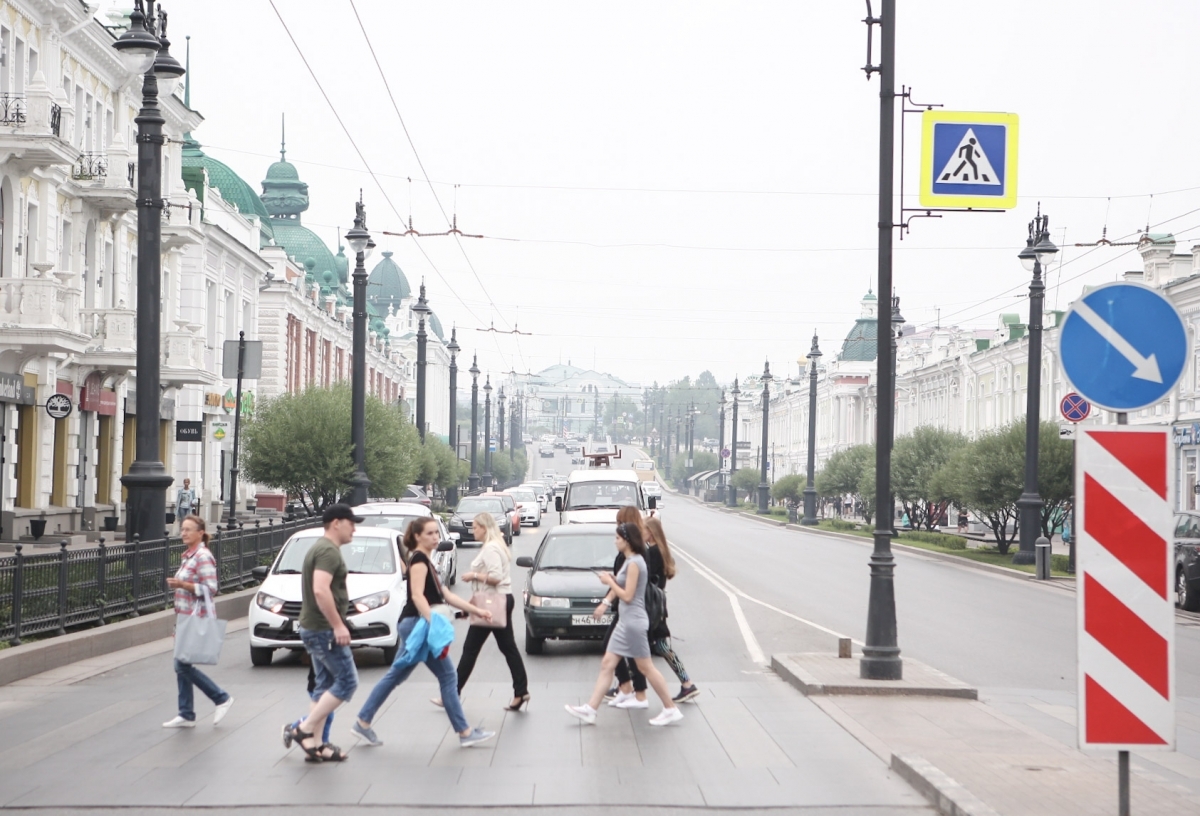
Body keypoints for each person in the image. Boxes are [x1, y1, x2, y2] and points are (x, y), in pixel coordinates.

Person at [351, 516, 496, 748]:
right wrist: (432, 622)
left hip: (415, 625)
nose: (435, 537)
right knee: (448, 676)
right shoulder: (419, 560)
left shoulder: (426, 560)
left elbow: (445, 595)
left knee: (396, 676)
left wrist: (475, 609)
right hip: (418, 625)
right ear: (417, 536)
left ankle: (363, 721)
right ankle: (465, 731)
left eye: (436, 533)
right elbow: (417, 596)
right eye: (429, 533)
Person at [565, 521, 682, 727]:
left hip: (634, 623)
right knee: (607, 664)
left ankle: (670, 708)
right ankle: (590, 709)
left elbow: (628, 596)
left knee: (646, 668)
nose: (615, 541)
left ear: (627, 541)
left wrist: (610, 582)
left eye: (618, 538)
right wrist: (610, 588)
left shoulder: (636, 562)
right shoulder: (630, 562)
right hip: (625, 623)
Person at [282, 504, 363, 763]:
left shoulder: (320, 547)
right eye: (351, 522)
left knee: (323, 686)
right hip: (323, 629)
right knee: (347, 682)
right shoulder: (328, 551)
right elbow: (320, 590)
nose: (354, 528)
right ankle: (303, 730)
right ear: (336, 523)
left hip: (314, 627)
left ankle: (315, 745)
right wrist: (338, 625)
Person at [610, 515, 699, 706]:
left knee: (649, 649)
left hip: (649, 606)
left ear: (651, 532)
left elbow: (644, 580)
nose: (641, 532)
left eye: (644, 529)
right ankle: (685, 683)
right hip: (656, 605)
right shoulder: (660, 550)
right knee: (659, 647)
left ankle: (633, 687)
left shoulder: (653, 553)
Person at [449, 513, 530, 711]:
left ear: (485, 528)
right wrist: (472, 603)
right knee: (507, 648)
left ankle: (452, 693)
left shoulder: (490, 548)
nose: (472, 530)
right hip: (497, 599)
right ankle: (521, 691)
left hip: (493, 602)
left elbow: (495, 577)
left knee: (471, 648)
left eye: (476, 527)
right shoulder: (495, 545)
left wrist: (473, 575)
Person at [163, 515, 234, 728]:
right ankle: (186, 713)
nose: (183, 533)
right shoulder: (189, 556)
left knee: (181, 665)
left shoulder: (203, 556)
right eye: (182, 529)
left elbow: (211, 588)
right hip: (185, 618)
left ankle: (221, 697)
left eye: (188, 530)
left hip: (196, 617)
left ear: (200, 533)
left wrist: (183, 585)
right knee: (182, 663)